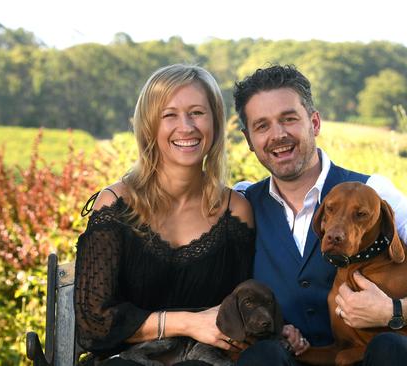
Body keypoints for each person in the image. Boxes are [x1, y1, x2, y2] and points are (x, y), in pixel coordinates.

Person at [232, 65, 407, 366]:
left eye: (289, 119)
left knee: (391, 349)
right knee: (261, 358)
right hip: (297, 359)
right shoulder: (243, 203)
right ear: (249, 140)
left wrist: (396, 310)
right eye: (262, 126)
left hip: (369, 360)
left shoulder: (374, 194)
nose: (278, 135)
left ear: (315, 122)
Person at [74, 64, 271, 365]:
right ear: (149, 125)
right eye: (170, 115)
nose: (186, 127)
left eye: (197, 113)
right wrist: (187, 323)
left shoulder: (235, 211)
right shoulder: (114, 206)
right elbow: (92, 324)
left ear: (215, 123)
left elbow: (241, 307)